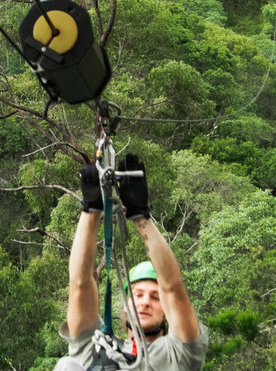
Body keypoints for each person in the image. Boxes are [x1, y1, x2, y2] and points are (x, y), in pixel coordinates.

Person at [55, 154, 208, 371]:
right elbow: (80, 285)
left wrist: (139, 215)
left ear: (167, 310)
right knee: (68, 365)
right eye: (138, 295)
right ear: (126, 304)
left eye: (155, 297)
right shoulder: (98, 347)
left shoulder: (179, 354)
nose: (145, 302)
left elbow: (172, 287)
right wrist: (91, 210)